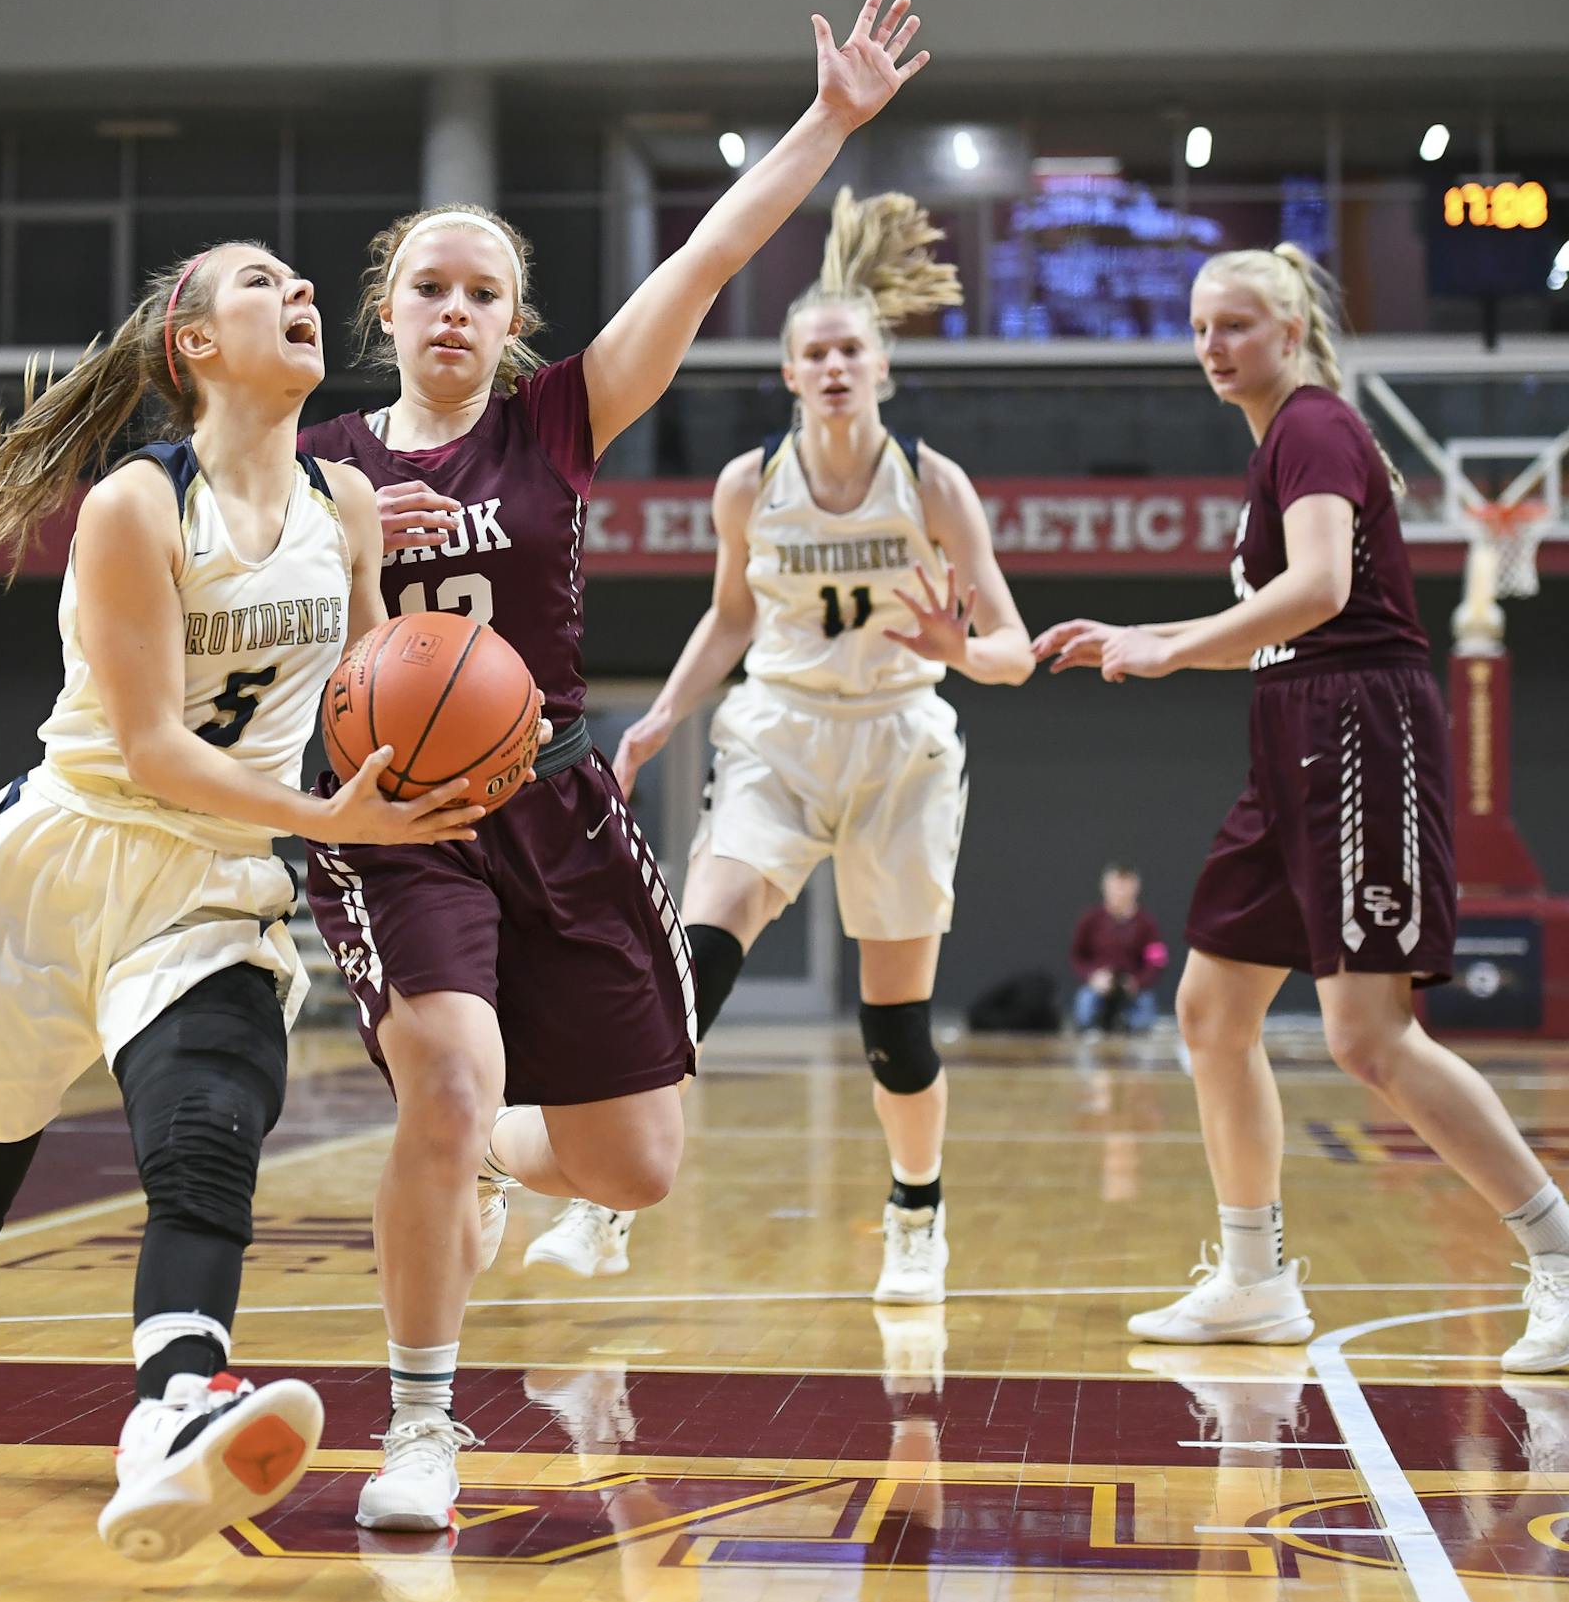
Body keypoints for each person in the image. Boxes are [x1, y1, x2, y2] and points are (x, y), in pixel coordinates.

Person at [299, 0, 930, 1530]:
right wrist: (356, 554)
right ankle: (425, 1424)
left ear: (512, 322)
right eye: (429, 287)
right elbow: (271, 636)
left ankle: (488, 1156)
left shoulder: (554, 419)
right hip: (391, 811)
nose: (453, 310)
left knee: (635, 1164)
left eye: (482, 292)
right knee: (443, 1081)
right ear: (389, 308)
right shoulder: (319, 460)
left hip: (558, 797)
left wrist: (830, 127)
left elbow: (709, 256)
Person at [0, 240, 487, 1561]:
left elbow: (362, 687)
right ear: (194, 342)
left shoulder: (350, 505)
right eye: (265, 283)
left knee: (210, 1125)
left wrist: (464, 719)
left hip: (217, 869)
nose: (303, 294)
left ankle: (170, 1407)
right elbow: (148, 742)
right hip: (69, 857)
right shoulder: (137, 507)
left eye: (305, 285)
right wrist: (327, 815)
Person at [1033, 243, 1569, 1372]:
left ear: (1289, 332)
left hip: (1358, 732)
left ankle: (1560, 1254)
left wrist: (1164, 645)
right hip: (1293, 733)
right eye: (1199, 329)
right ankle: (1254, 1278)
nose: (1213, 347)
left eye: (1235, 325)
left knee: (1370, 1039)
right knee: (1210, 1014)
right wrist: (1158, 644)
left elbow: (1323, 589)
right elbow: (1288, 625)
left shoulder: (1317, 426)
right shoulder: (1275, 446)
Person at [601, 187, 1031, 1304]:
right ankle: (607, 1198)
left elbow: (1016, 652)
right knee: (694, 962)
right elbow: (732, 617)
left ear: (882, 369)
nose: (835, 366)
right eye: (815, 353)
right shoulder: (749, 484)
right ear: (789, 374)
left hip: (899, 744)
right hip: (777, 736)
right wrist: (660, 714)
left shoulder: (933, 486)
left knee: (893, 1030)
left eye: (852, 350)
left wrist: (961, 644)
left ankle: (917, 1208)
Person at [1069, 863, 1166, 1033]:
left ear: (1135, 887)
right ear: (1105, 887)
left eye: (1125, 885)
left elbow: (1157, 961)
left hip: (1132, 986)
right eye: (1115, 886)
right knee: (1084, 1006)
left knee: (1145, 1014)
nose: (1119, 892)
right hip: (1099, 985)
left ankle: (1127, 1023)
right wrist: (1093, 977)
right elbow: (1077, 956)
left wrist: (1137, 982)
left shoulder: (1147, 924)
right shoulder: (1090, 920)